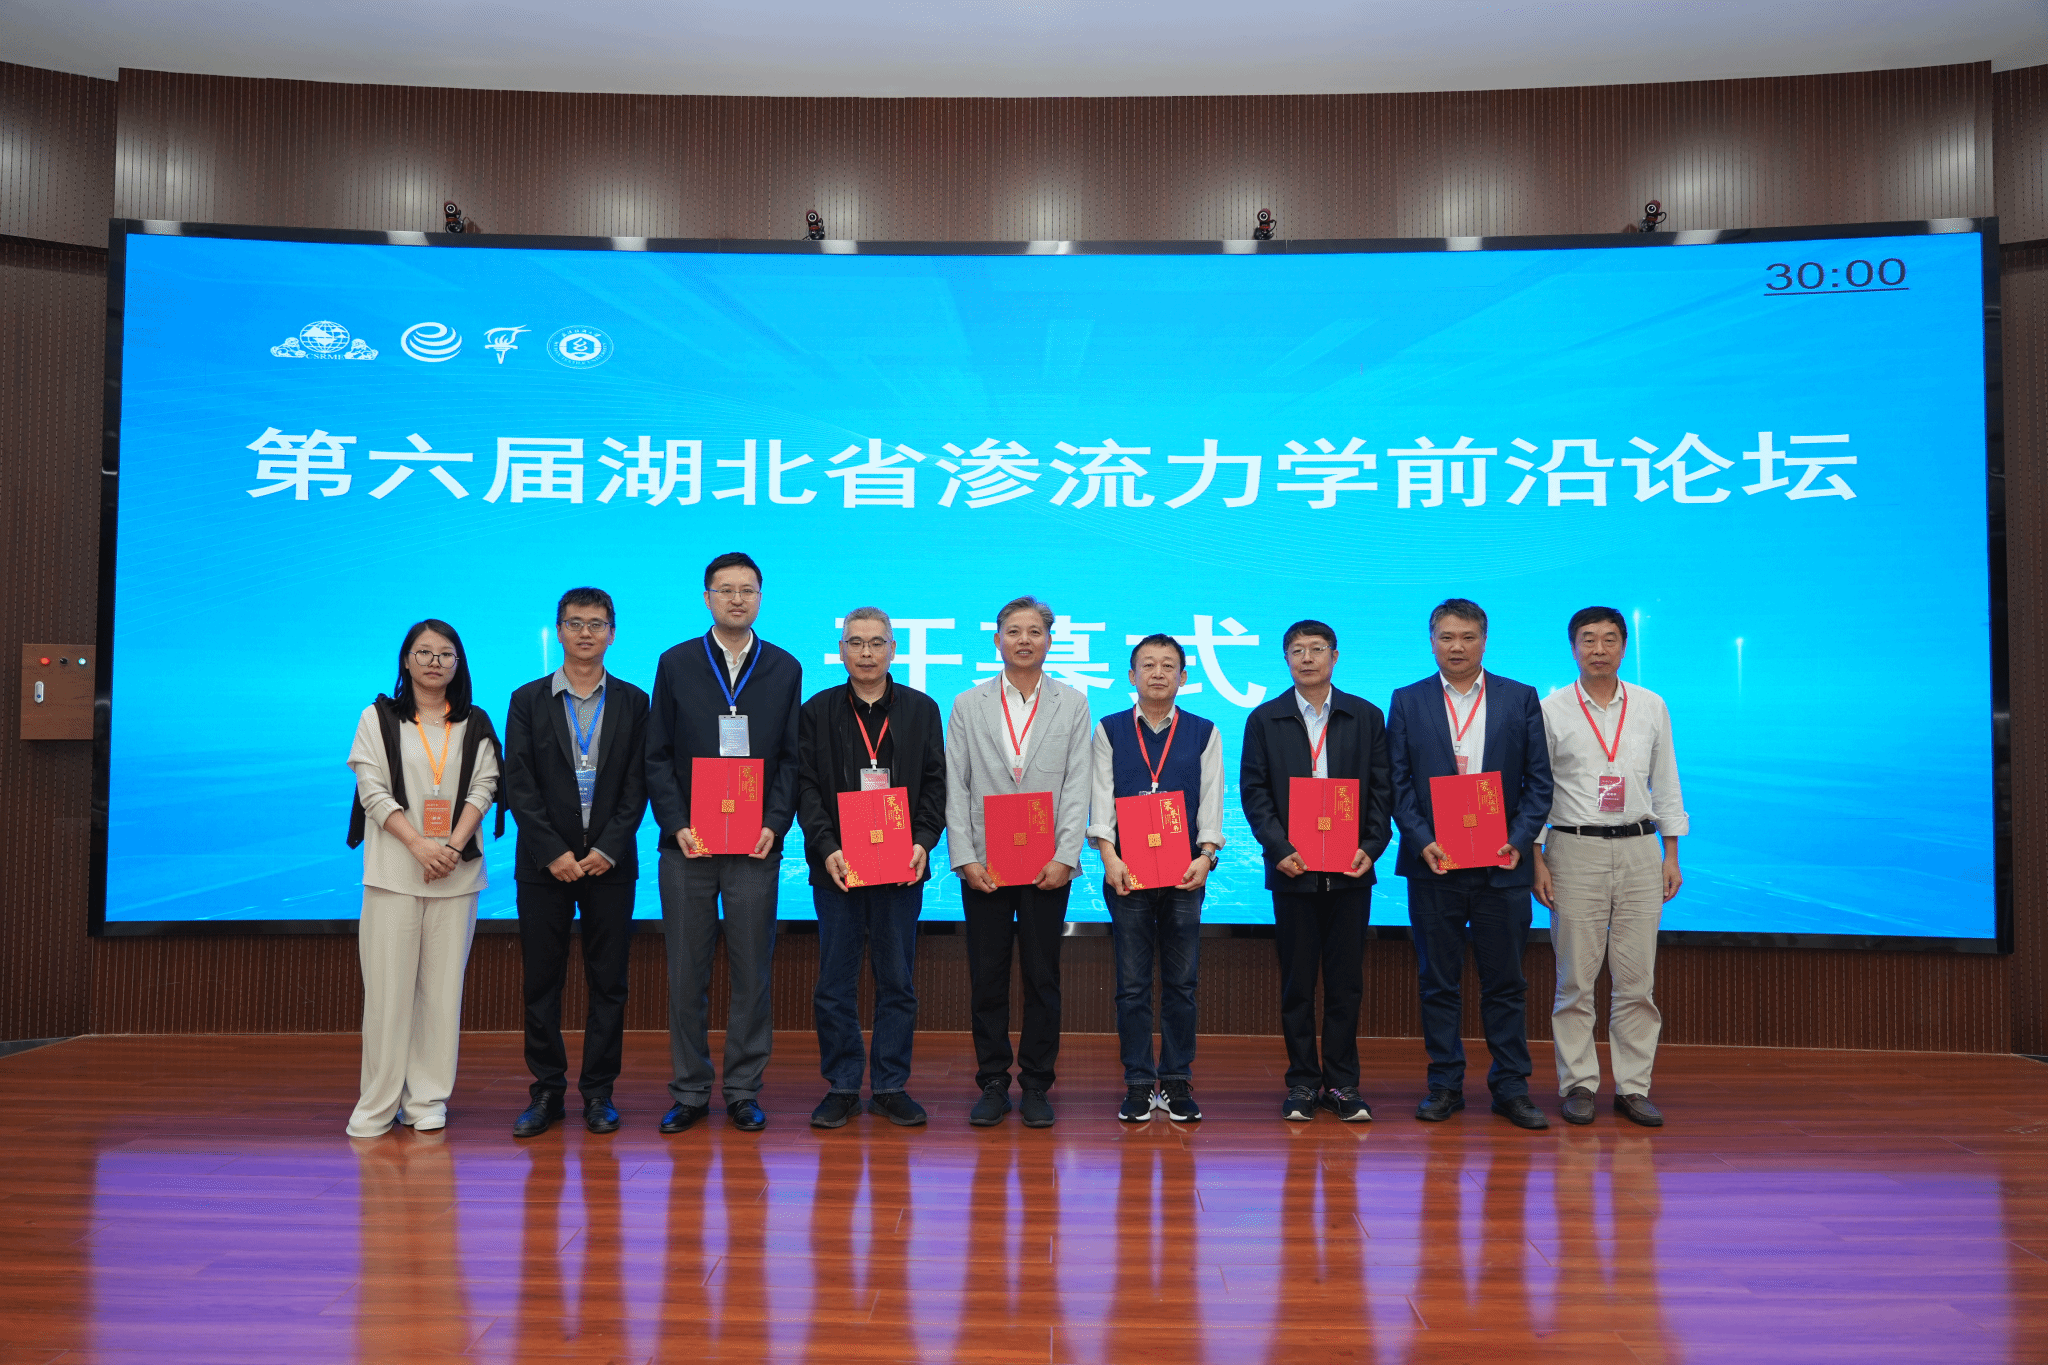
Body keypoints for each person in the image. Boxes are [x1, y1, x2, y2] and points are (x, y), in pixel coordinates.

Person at [645, 552, 803, 1134]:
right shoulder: (676, 662)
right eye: (725, 589)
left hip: (754, 847)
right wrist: (676, 823)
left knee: (751, 972)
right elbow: (657, 754)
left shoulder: (784, 667)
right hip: (687, 847)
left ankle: (742, 1090)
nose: (737, 599)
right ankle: (689, 1090)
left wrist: (775, 824)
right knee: (686, 974)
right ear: (707, 597)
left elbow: (791, 758)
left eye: (747, 590)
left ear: (760, 597)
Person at [1388, 597, 1555, 1131]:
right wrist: (1421, 840)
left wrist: (1518, 840)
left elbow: (1539, 782)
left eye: (1467, 637)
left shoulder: (1519, 697)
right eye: (1446, 637)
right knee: (1438, 981)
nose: (1456, 647)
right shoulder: (1408, 700)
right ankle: (1444, 1085)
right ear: (1431, 642)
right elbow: (1397, 782)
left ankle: (1511, 1088)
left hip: (1501, 865)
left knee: (1505, 982)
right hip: (1434, 865)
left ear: (1484, 640)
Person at [500, 588, 650, 1139]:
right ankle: (546, 1091)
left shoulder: (634, 701)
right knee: (543, 981)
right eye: (575, 623)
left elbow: (639, 782)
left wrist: (608, 848)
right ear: (559, 630)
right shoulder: (527, 699)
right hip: (545, 866)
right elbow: (518, 782)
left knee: (609, 982)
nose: (586, 633)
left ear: (613, 633)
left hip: (610, 865)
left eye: (597, 624)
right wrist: (553, 852)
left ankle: (598, 1092)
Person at [344, 619, 500, 1139]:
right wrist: (418, 845)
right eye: (424, 652)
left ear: (459, 663)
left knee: (441, 995)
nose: (435, 662)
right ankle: (377, 1103)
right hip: (394, 872)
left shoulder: (475, 721)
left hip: (457, 875)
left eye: (445, 653)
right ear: (406, 659)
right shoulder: (377, 717)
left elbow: (485, 786)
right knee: (386, 996)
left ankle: (427, 1099)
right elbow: (371, 789)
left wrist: (451, 847)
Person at [1534, 606, 1688, 1128]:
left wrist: (1671, 852)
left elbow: (1665, 780)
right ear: (1573, 648)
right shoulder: (1550, 709)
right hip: (1573, 849)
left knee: (1637, 980)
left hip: (1642, 849)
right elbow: (1537, 788)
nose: (1598, 649)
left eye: (1609, 639)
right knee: (1575, 979)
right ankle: (1578, 1083)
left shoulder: (1650, 705)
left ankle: (1633, 1087)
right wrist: (1536, 857)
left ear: (1624, 646)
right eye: (1588, 639)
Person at [944, 596, 1094, 1128]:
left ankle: (1035, 1084)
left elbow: (1078, 785)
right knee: (987, 977)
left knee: (1041, 976)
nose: (1024, 640)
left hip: (1046, 865)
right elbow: (956, 784)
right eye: (1014, 631)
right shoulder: (968, 703)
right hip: (985, 864)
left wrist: (1066, 856)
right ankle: (991, 1081)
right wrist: (964, 858)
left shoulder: (1072, 703)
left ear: (1050, 641)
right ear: (997, 640)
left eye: (1034, 631)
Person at [795, 608, 947, 1130]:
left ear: (893, 649)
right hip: (837, 867)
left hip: (900, 865)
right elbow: (806, 788)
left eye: (876, 642)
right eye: (855, 642)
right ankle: (841, 1086)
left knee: (897, 980)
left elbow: (936, 783)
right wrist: (825, 846)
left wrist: (924, 841)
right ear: (841, 650)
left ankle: (889, 1086)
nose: (866, 652)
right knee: (835, 982)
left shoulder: (922, 709)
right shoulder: (816, 711)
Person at [1240, 619, 1393, 1123]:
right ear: (1286, 659)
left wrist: (1372, 845)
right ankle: (1303, 1082)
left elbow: (1383, 789)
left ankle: (1343, 1084)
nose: (1307, 658)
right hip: (1293, 871)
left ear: (1335, 656)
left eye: (1317, 648)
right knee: (1298, 983)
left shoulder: (1365, 715)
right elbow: (1254, 793)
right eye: (1297, 650)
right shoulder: (1265, 719)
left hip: (1351, 870)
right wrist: (1278, 847)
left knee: (1346, 983)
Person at [1088, 634, 1226, 1123]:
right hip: (1126, 872)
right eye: (1148, 665)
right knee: (1131, 985)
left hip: (1185, 873)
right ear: (1132, 676)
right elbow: (1100, 797)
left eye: (1169, 665)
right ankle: (1138, 1083)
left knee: (1181, 983)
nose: (1158, 673)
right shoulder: (1108, 729)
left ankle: (1177, 1080)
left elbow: (1212, 800)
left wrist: (1206, 855)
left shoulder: (1204, 731)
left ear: (1184, 677)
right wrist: (1109, 856)